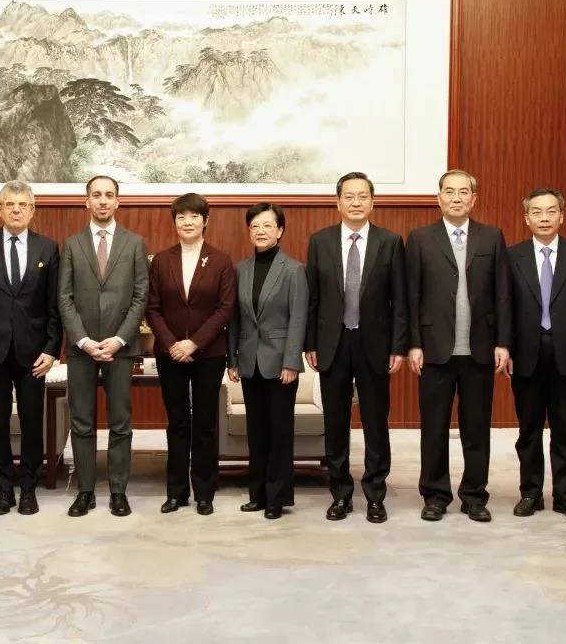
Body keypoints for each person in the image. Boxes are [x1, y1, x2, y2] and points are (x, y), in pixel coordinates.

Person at [406, 170, 511, 523]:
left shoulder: (491, 237)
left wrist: (503, 342)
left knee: (476, 428)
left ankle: (474, 495)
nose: (456, 198)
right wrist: (414, 344)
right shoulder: (420, 239)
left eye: (463, 192)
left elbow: (502, 294)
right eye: (449, 192)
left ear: (473, 198)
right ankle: (435, 495)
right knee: (434, 427)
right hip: (434, 349)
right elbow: (411, 296)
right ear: (438, 198)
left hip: (480, 348)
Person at [305, 172, 408, 524]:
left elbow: (400, 301)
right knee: (335, 423)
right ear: (337, 203)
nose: (356, 202)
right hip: (332, 343)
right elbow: (313, 298)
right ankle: (340, 493)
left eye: (363, 196)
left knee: (375, 422)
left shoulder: (389, 242)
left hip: (374, 344)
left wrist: (398, 346)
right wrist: (310, 343)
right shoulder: (320, 241)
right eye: (349, 196)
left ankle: (375, 495)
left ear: (372, 202)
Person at [506, 188, 566, 521]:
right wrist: (505, 349)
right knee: (528, 430)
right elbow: (505, 308)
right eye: (537, 212)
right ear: (527, 218)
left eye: (551, 211)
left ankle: (565, 496)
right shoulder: (513, 256)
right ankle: (530, 494)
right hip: (525, 355)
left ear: (562, 216)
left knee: (565, 429)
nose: (544, 218)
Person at [58, 175, 149, 517]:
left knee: (120, 422)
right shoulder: (71, 244)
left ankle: (118, 492)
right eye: (96, 194)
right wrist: (83, 340)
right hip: (81, 348)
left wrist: (119, 338)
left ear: (117, 202)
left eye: (109, 195)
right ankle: (85, 491)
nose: (103, 200)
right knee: (81, 421)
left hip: (120, 347)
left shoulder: (134, 243)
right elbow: (64, 298)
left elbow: (141, 296)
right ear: (87, 201)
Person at [0, 181, 62, 516]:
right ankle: (2, 490)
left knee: (31, 423)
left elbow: (54, 305)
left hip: (33, 354)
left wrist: (51, 349)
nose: (16, 210)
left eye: (22, 204)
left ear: (32, 210)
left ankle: (28, 489)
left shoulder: (47, 248)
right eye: (9, 204)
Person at [146, 193, 235, 516]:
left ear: (205, 221)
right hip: (169, 354)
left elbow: (225, 309)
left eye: (194, 216)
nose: (188, 222)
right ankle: (176, 492)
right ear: (174, 222)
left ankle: (204, 492)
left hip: (209, 354)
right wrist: (173, 343)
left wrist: (194, 343)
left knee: (206, 423)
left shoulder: (221, 261)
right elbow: (152, 308)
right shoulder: (161, 261)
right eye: (181, 217)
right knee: (177, 422)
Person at [228, 202, 308, 520]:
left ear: (280, 230)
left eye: (267, 225)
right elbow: (235, 319)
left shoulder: (294, 270)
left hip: (280, 365)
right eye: (255, 226)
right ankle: (257, 494)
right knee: (257, 432)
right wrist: (233, 359)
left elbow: (298, 319)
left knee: (279, 432)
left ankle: (277, 497)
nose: (260, 231)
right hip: (249, 362)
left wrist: (291, 362)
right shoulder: (240, 269)